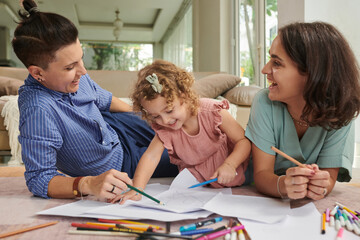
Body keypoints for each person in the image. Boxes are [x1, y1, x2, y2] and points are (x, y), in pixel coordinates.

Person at [12, 0, 177, 201]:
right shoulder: (38, 109)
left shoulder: (78, 77)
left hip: (119, 127)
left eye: (80, 58)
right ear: (38, 73)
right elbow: (39, 178)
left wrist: (143, 119)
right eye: (70, 67)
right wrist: (88, 183)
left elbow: (106, 101)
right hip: (123, 162)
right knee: (191, 159)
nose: (83, 71)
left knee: (184, 126)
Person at [245, 21, 360, 200]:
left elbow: (328, 180)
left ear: (312, 73)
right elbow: (261, 175)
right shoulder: (264, 102)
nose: (265, 69)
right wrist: (283, 185)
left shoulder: (341, 111)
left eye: (276, 63)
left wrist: (321, 186)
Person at [116, 60, 251, 203]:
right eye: (155, 117)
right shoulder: (164, 129)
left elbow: (243, 141)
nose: (165, 120)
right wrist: (137, 189)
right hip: (199, 175)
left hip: (235, 169)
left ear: (185, 95)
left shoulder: (212, 111)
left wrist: (230, 165)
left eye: (169, 110)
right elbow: (151, 156)